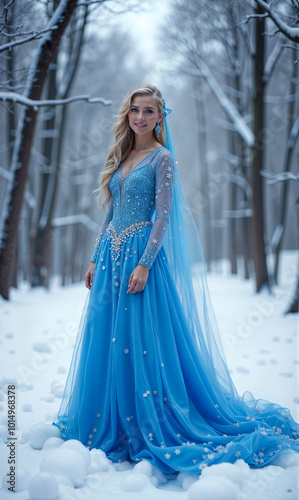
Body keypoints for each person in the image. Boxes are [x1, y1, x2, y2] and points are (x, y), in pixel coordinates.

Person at [52, 84, 299, 474]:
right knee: (109, 338)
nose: (140, 117)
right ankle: (113, 418)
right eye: (135, 110)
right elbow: (110, 212)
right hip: (111, 261)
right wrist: (94, 258)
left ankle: (151, 420)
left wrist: (146, 263)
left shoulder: (162, 159)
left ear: (160, 117)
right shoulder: (123, 155)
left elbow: (163, 216)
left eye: (149, 111)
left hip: (140, 260)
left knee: (142, 341)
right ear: (127, 114)